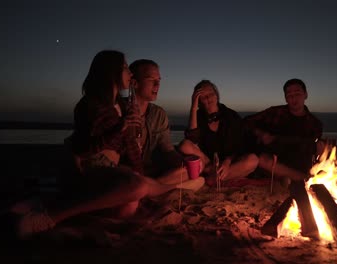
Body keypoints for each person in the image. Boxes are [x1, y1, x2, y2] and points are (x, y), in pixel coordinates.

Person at [13, 50, 204, 239]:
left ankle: (158, 188)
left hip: (115, 170)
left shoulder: (127, 109)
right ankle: (50, 217)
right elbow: (83, 147)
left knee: (133, 202)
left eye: (159, 80)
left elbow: (132, 147)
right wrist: (122, 129)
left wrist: (177, 161)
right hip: (92, 171)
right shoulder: (95, 106)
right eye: (126, 68)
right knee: (137, 188)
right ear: (118, 75)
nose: (157, 84)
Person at [243, 78, 324, 185]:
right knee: (262, 159)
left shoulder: (314, 123)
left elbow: (314, 150)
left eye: (297, 93)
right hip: (274, 162)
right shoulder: (275, 113)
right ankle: (305, 179)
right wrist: (261, 134)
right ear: (286, 98)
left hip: (298, 163)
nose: (293, 97)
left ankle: (293, 179)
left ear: (305, 95)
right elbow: (246, 122)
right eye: (289, 95)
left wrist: (319, 149)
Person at [178, 80, 258, 185]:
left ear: (216, 95)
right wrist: (193, 107)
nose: (208, 98)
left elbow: (239, 146)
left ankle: (211, 180)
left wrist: (227, 162)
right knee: (184, 145)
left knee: (253, 160)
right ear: (199, 101)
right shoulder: (198, 116)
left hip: (230, 162)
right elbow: (192, 140)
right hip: (208, 164)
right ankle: (214, 176)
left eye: (211, 94)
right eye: (203, 96)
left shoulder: (231, 116)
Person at [126, 59, 190, 184]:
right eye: (151, 80)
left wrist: (184, 162)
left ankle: (151, 187)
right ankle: (150, 188)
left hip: (150, 173)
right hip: (126, 174)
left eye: (159, 80)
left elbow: (168, 151)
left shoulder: (158, 114)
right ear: (134, 83)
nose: (157, 85)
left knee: (189, 171)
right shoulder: (119, 111)